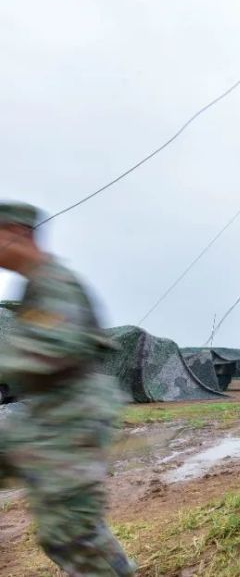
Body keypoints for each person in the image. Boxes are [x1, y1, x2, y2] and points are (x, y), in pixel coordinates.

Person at [0, 201, 136, 576]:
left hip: (73, 413)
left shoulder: (53, 281)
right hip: (50, 412)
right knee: (66, 531)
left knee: (72, 532)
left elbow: (56, 349)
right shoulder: (36, 285)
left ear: (16, 234)